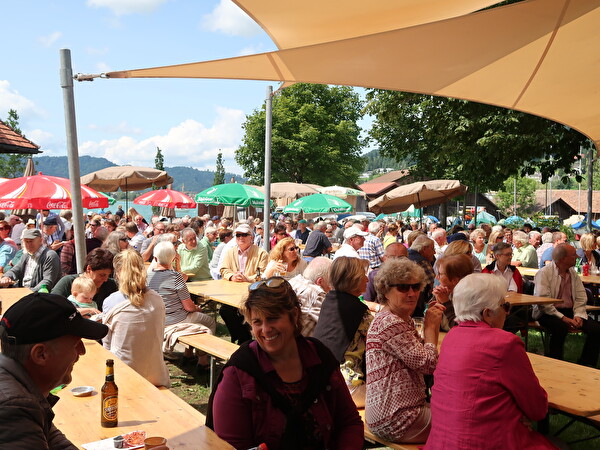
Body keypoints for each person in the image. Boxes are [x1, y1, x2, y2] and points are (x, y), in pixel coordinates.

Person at [208, 277, 364, 449]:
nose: (266, 330)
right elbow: (230, 446)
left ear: (294, 315)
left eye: (273, 318)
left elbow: (349, 422)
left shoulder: (320, 357)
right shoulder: (239, 374)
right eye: (257, 322)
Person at [425, 274, 555, 449]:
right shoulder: (505, 343)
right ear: (488, 313)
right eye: (505, 306)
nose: (507, 312)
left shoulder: (451, 337)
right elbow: (537, 408)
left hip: (442, 443)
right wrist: (518, 414)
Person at [0, 292, 108, 448]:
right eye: (76, 343)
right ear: (41, 354)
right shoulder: (14, 408)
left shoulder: (20, 388)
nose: (82, 351)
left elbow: (55, 442)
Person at [366, 258, 445, 444]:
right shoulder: (390, 322)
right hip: (395, 418)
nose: (411, 293)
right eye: (403, 287)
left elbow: (420, 358)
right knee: (468, 423)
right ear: (385, 291)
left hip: (395, 411)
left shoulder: (400, 319)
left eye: (416, 287)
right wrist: (430, 328)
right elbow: (428, 364)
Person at [101, 249, 170, 386]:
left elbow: (107, 345)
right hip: (156, 374)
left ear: (118, 272)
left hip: (123, 377)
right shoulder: (157, 299)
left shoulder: (111, 301)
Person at [313, 256, 372, 407]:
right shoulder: (360, 313)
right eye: (363, 276)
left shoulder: (330, 300)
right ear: (354, 280)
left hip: (320, 382)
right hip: (347, 388)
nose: (367, 279)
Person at [533, 243, 600, 366]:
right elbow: (544, 302)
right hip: (548, 313)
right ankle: (556, 363)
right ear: (563, 258)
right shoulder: (544, 273)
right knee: (560, 328)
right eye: (573, 254)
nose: (577, 256)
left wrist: (578, 315)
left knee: (596, 329)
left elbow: (581, 297)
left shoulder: (573, 273)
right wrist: (564, 319)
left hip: (570, 311)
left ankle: (587, 364)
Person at [147, 241, 216, 333]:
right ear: (173, 259)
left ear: (155, 258)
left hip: (155, 320)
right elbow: (189, 307)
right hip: (176, 320)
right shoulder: (175, 277)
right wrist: (197, 308)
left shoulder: (147, 276)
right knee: (210, 322)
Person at [220, 224, 268, 344]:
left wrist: (247, 278)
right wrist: (232, 276)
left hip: (253, 293)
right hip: (233, 292)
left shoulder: (261, 253)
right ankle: (243, 338)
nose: (241, 237)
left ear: (251, 237)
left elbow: (262, 274)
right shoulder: (230, 252)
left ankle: (243, 340)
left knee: (244, 311)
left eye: (244, 235)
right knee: (225, 311)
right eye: (238, 235)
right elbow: (224, 269)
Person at [52, 248, 118, 312]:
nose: (105, 279)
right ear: (89, 269)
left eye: (108, 275)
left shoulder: (111, 286)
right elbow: (52, 307)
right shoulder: (68, 283)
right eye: (102, 275)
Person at [288, 256, 332, 336]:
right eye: (331, 284)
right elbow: (334, 325)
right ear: (320, 282)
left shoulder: (294, 280)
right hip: (300, 345)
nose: (331, 288)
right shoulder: (317, 294)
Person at [432, 254, 474, 330]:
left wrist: (445, 302)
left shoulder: (470, 298)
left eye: (440, 274)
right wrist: (437, 301)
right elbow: (429, 322)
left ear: (455, 279)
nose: (437, 277)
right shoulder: (444, 292)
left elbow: (459, 327)